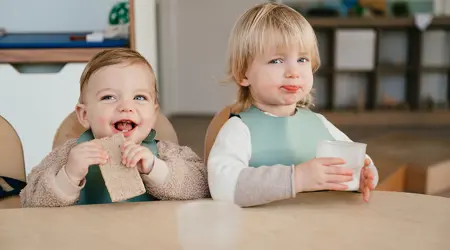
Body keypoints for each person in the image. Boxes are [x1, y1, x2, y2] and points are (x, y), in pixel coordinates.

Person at [207, 3, 378, 208]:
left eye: (302, 59)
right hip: (259, 234)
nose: (293, 72)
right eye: (277, 61)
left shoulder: (319, 124)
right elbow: (223, 187)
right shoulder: (239, 129)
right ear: (243, 74)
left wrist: (362, 176)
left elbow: (356, 161)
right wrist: (296, 178)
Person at [20, 48, 209, 207]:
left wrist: (155, 168)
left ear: (153, 114)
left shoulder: (164, 153)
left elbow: (202, 186)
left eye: (139, 97)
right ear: (84, 115)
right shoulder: (69, 155)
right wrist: (68, 176)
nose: (126, 106)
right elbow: (28, 199)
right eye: (109, 97)